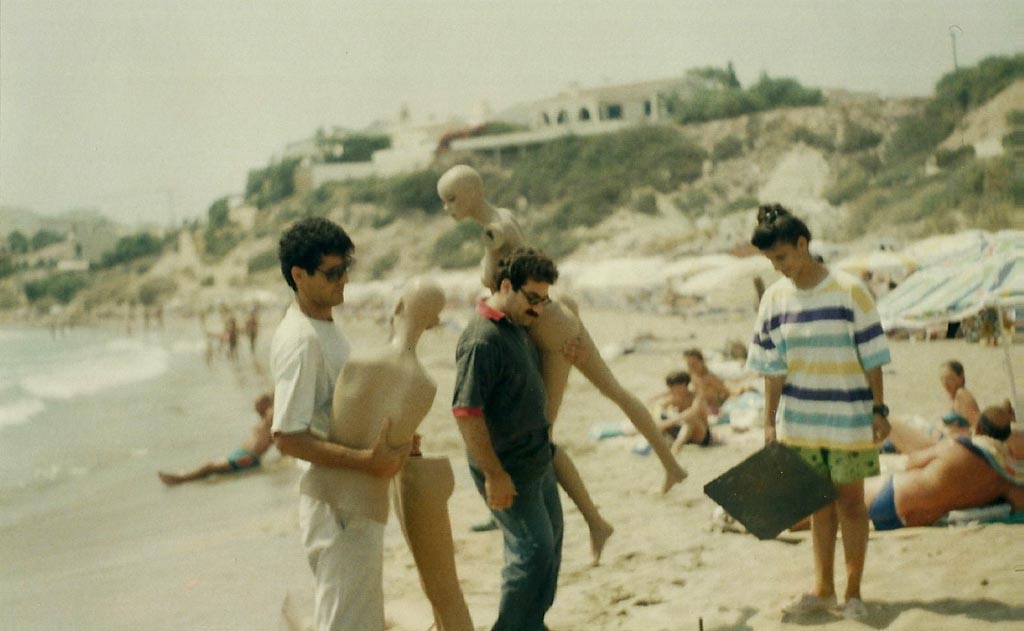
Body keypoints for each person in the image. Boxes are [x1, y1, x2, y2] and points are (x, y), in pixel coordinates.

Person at [438, 164, 686, 565]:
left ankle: (667, 469)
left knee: (581, 410)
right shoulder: (502, 219)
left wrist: (555, 327)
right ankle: (600, 519)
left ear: (471, 192)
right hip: (545, 320)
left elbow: (526, 278)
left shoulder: (497, 231)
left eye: (452, 199)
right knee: (549, 434)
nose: (448, 208)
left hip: (550, 327)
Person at [300, 277, 473, 631]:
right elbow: (397, 450)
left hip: (326, 495)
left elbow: (327, 427)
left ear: (395, 308)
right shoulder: (425, 386)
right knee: (359, 608)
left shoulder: (359, 359)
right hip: (370, 504)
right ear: (434, 323)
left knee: (337, 610)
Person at [747, 203, 892, 621]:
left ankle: (853, 592)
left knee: (850, 504)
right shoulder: (773, 300)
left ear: (802, 244)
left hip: (848, 418)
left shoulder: (849, 290)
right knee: (817, 505)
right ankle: (823, 588)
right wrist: (769, 424)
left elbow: (873, 357)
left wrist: (879, 409)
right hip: (800, 422)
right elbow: (772, 371)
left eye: (782, 257)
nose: (777, 268)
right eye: (771, 261)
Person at [269, 217, 411, 631]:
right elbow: (288, 436)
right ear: (299, 275)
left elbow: (337, 412)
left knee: (359, 613)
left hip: (351, 491)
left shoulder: (323, 327)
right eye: (332, 273)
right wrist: (368, 461)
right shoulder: (301, 340)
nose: (343, 279)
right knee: (346, 619)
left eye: (345, 268)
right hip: (333, 499)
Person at [452, 248, 563, 631]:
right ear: (505, 286)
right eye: (532, 299)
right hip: (507, 467)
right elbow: (466, 413)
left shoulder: (516, 325)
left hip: (536, 461)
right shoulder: (482, 339)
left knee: (550, 551)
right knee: (531, 553)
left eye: (544, 301)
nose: (538, 309)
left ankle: (532, 625)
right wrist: (493, 474)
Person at [865, 402, 1024, 529]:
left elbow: (911, 463)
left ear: (978, 428)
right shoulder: (1005, 479)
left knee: (846, 497)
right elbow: (1018, 508)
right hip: (914, 521)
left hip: (896, 495)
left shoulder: (955, 446)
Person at [157, 393, 275, 485]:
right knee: (211, 468)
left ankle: (182, 478)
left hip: (249, 458)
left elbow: (277, 436)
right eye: (255, 406)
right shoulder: (263, 420)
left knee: (210, 467)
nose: (256, 408)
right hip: (241, 454)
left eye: (258, 405)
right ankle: (184, 477)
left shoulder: (271, 417)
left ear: (266, 404)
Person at [885, 360, 981, 453]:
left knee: (894, 428)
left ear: (961, 377)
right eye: (942, 379)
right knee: (895, 431)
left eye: (950, 379)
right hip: (936, 436)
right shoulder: (953, 397)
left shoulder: (963, 395)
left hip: (941, 442)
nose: (945, 383)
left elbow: (979, 426)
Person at [654, 370, 711, 450]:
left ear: (685, 385)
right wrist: (658, 419)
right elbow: (658, 406)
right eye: (672, 387)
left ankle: (675, 448)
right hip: (684, 434)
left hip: (701, 435)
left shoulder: (695, 398)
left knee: (690, 419)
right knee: (660, 416)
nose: (675, 389)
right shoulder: (675, 398)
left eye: (677, 386)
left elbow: (692, 413)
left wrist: (666, 423)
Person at [683, 348, 731, 416]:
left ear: (702, 362)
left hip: (712, 410)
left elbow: (726, 393)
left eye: (694, 364)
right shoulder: (692, 376)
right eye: (689, 364)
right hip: (697, 407)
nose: (692, 367)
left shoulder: (710, 378)